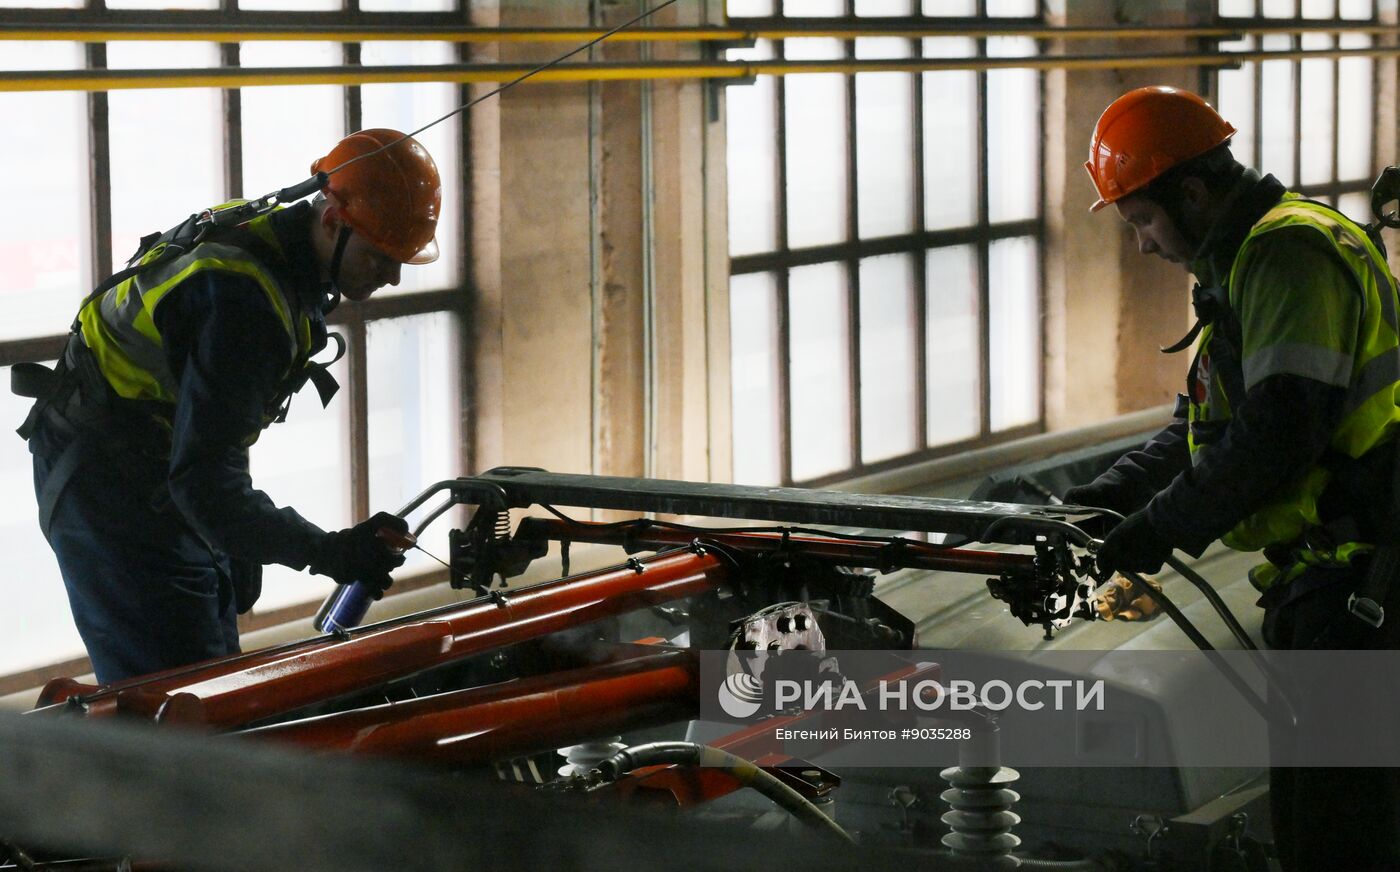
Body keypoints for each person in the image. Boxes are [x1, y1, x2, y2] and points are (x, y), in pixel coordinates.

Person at [1073, 85, 1400, 871]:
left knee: (1339, 837)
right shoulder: (1245, 263)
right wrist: (1104, 498)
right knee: (1313, 826)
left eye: (1144, 221)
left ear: (1192, 192)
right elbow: (1204, 429)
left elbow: (1277, 432)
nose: (1145, 246)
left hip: (1365, 585)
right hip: (1326, 583)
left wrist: (1155, 530)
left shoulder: (1289, 254)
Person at [15, 129, 440, 685]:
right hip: (108, 484)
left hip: (149, 456)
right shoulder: (244, 303)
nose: (392, 276)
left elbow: (206, 439)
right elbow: (205, 482)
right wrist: (327, 551)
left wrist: (244, 536)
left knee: (212, 662)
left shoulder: (276, 241)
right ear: (332, 219)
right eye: (380, 256)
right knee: (181, 699)